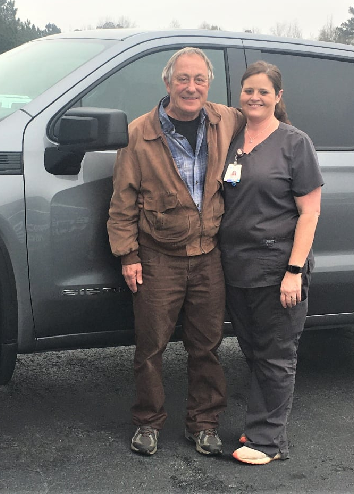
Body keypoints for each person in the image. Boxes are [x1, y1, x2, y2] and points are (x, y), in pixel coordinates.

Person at [107, 47, 244, 457]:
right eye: (182, 79)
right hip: (157, 258)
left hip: (208, 256)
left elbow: (269, 123)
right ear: (167, 83)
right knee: (150, 348)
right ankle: (148, 422)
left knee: (208, 347)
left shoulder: (226, 119)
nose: (191, 87)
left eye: (199, 79)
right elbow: (122, 202)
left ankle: (203, 424)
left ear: (209, 84)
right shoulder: (139, 133)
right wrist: (128, 255)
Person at [219, 61, 323, 465]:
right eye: (248, 90)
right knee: (254, 351)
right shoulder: (233, 139)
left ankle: (268, 441)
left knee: (277, 353)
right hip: (237, 267)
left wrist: (294, 271)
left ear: (278, 97)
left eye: (263, 91)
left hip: (278, 267)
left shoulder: (295, 143)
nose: (254, 98)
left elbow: (310, 213)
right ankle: (260, 425)